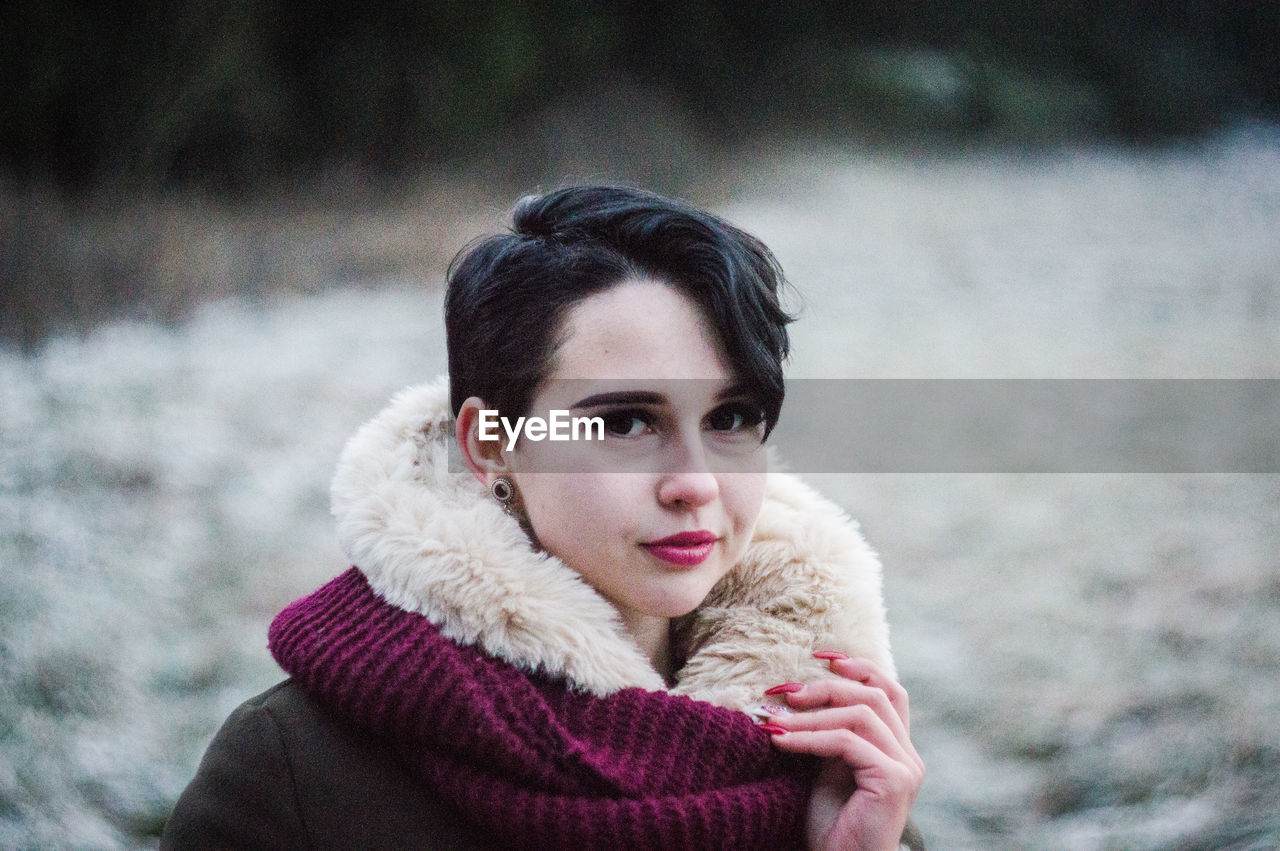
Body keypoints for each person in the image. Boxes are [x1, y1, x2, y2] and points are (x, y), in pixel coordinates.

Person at [162, 186, 925, 849]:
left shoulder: (830, 750)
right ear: (491, 444)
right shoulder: (295, 776)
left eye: (731, 416)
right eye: (626, 423)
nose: (695, 482)